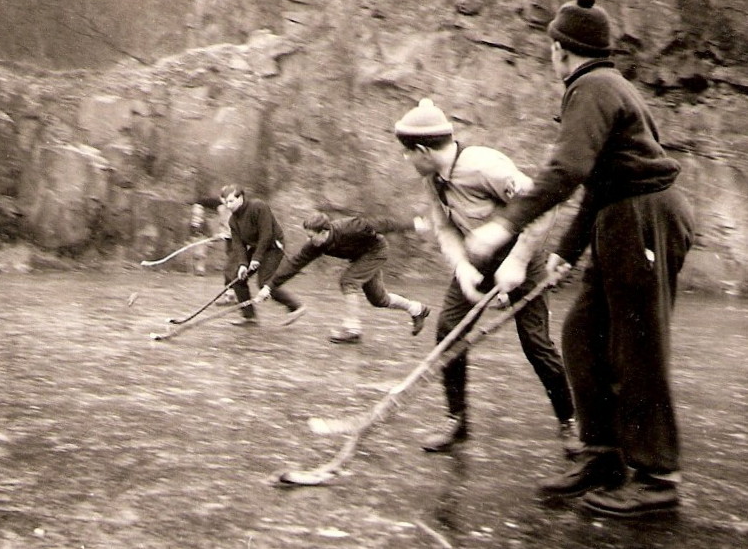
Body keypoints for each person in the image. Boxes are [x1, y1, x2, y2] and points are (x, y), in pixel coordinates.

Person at [463, 0, 696, 517]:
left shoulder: (591, 86)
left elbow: (567, 170)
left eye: (550, 46)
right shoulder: (604, 86)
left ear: (561, 48)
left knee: (639, 348)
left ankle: (658, 479)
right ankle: (604, 455)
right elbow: (594, 180)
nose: (549, 55)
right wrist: (567, 250)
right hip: (620, 217)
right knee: (582, 335)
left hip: (644, 219)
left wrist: (503, 224)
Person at [393, 98, 579, 458]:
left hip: (521, 257)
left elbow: (546, 205)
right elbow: (444, 227)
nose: (405, 160)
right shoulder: (432, 178)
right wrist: (461, 267)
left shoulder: (485, 166)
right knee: (448, 331)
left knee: (536, 346)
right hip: (477, 262)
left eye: (406, 153)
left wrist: (519, 261)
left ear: (422, 150)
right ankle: (456, 420)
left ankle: (568, 423)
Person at [256, 212, 431, 344]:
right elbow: (294, 264)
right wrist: (268, 288)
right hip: (361, 258)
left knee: (348, 282)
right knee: (379, 299)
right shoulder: (315, 246)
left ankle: (352, 330)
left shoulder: (350, 227)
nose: (308, 240)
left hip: (376, 251)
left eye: (311, 236)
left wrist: (413, 224)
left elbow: (383, 223)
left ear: (324, 232)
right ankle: (417, 309)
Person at [221, 184, 306, 326]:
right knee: (236, 277)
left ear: (240, 198)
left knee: (264, 283)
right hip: (257, 247)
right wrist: (243, 264)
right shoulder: (233, 221)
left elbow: (267, 234)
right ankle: (249, 317)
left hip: (273, 246)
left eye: (231, 201)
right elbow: (239, 245)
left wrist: (256, 258)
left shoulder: (258, 207)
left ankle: (296, 306)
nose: (228, 205)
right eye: (226, 202)